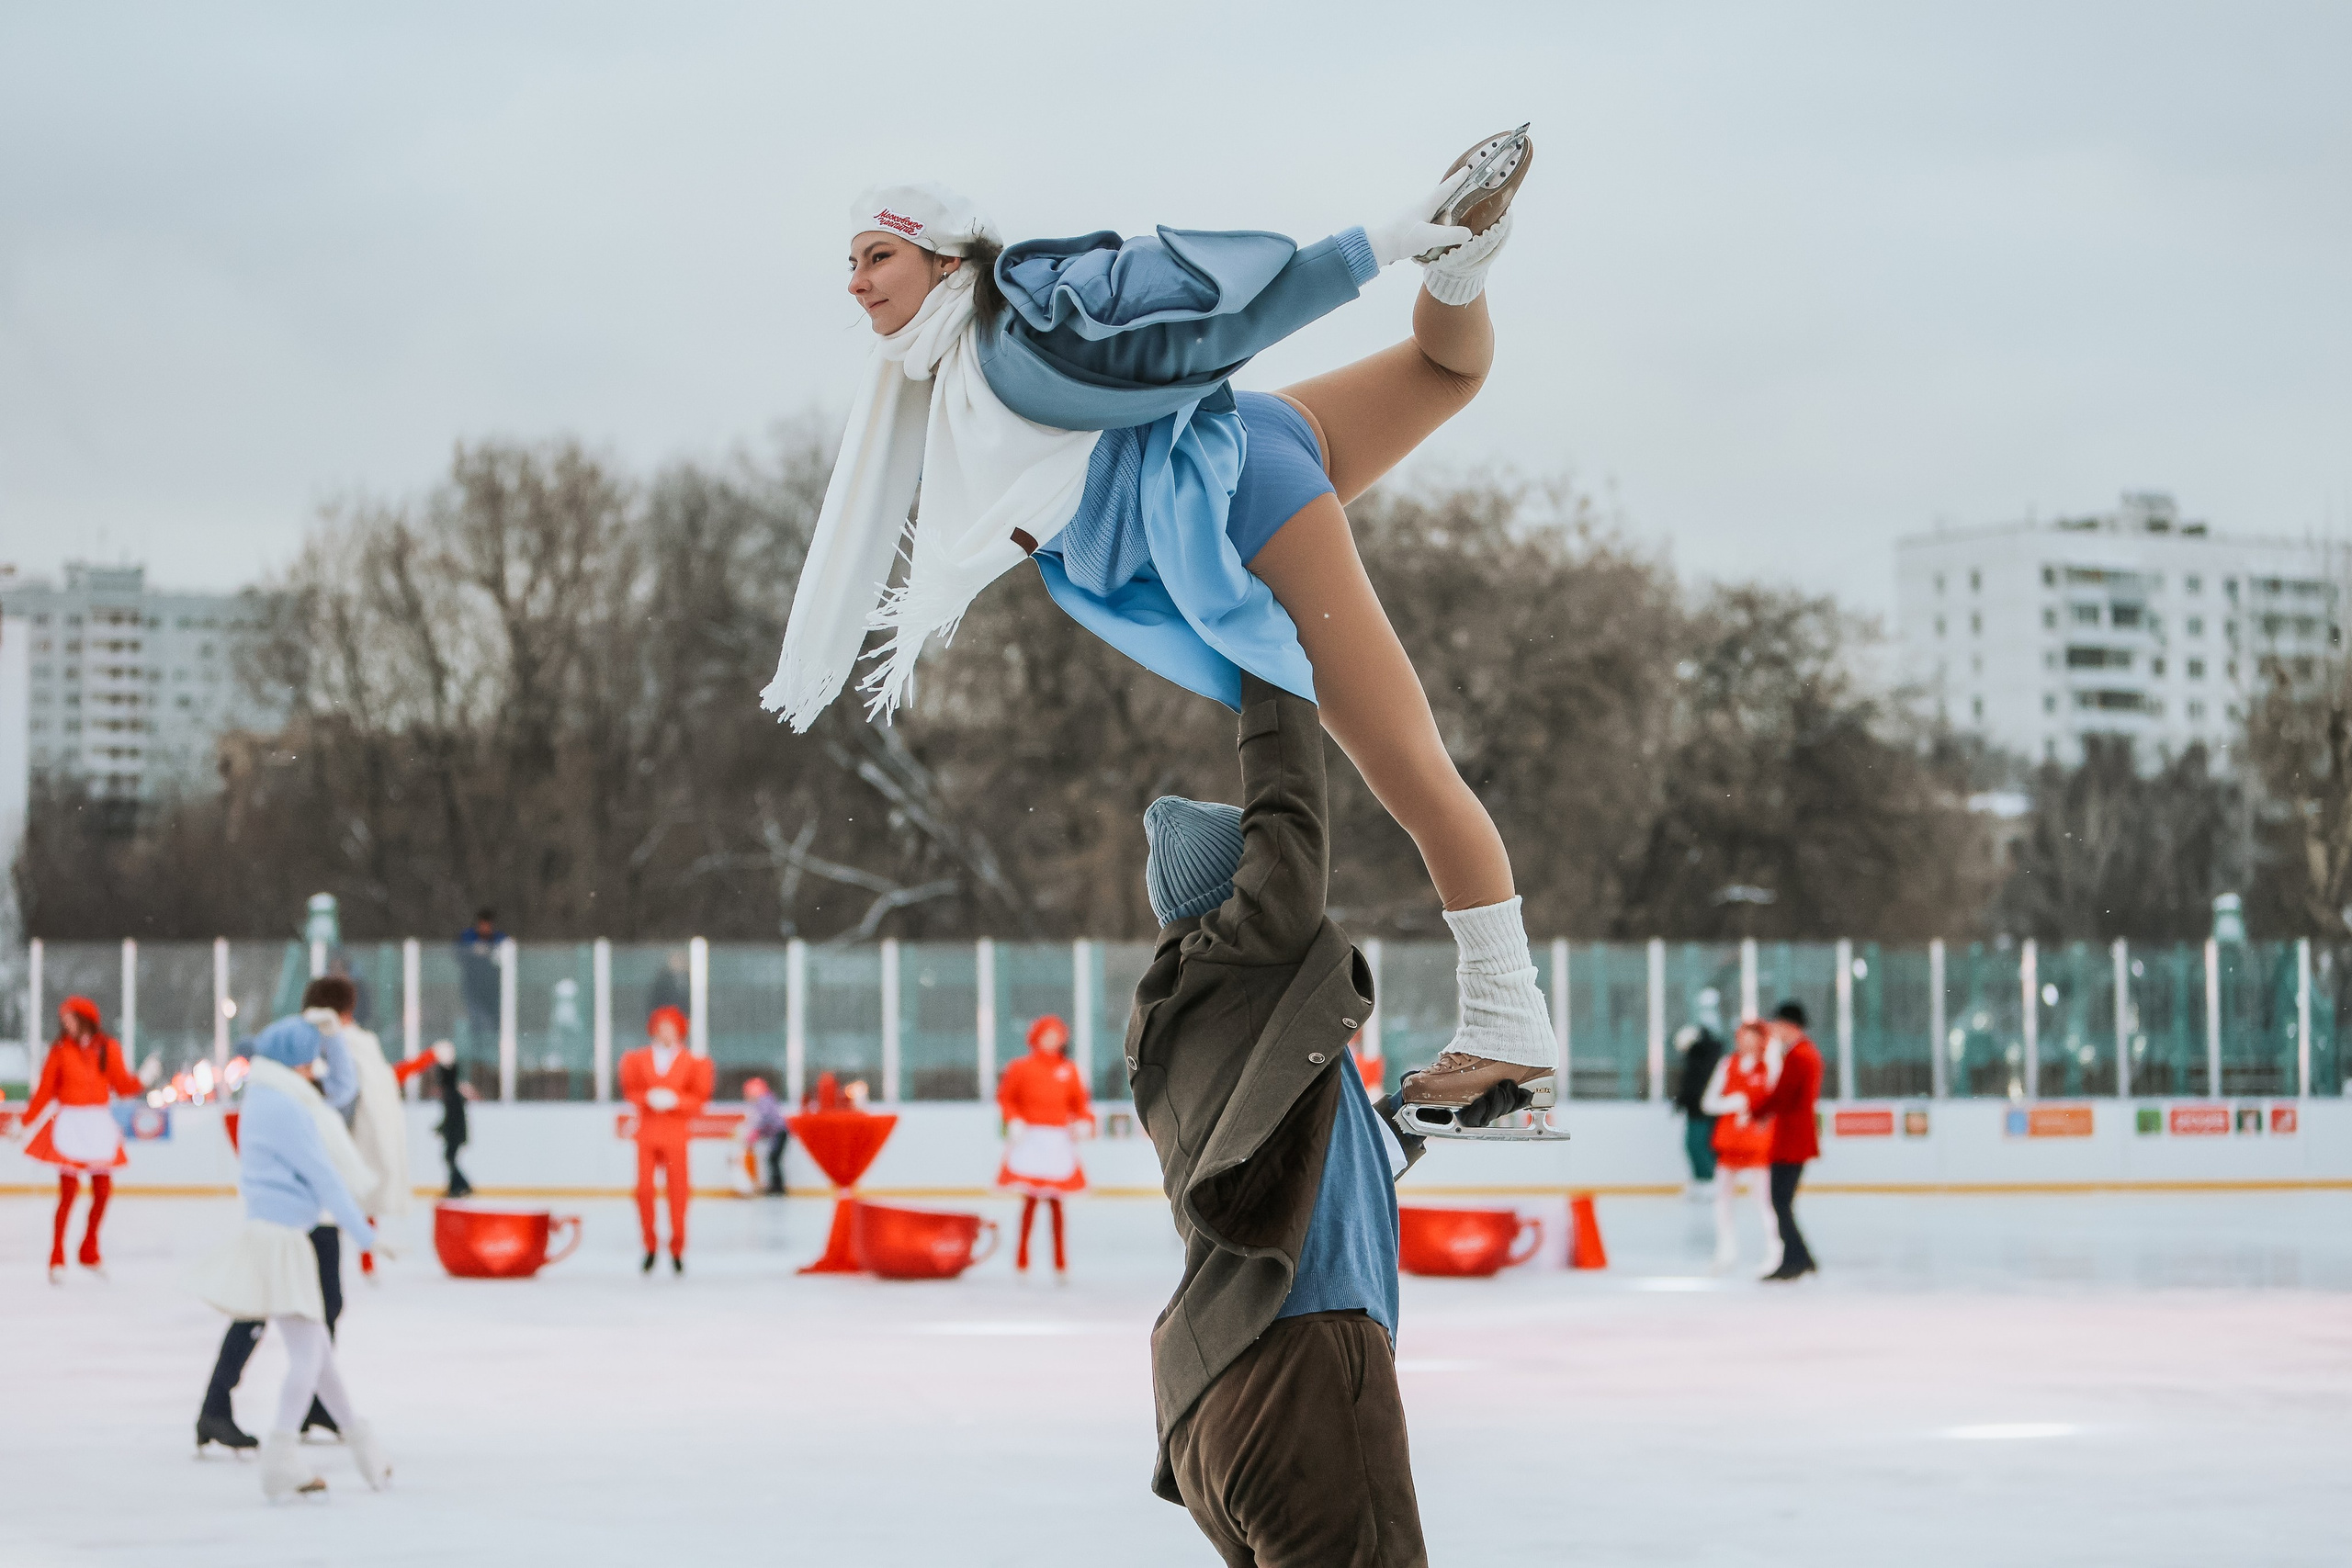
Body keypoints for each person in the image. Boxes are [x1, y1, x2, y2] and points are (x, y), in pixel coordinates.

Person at [768, 133, 1558, 1127]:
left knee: (1406, 763)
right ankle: (1466, 267)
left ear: (945, 261)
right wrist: (1429, 257)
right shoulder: (965, 362)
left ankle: (1509, 1025)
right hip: (1251, 440)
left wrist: (1374, 246)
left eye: (877, 256)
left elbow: (1201, 333)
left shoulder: (1007, 357)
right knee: (1442, 371)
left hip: (1239, 500)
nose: (855, 281)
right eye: (849, 261)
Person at [1126, 672, 1532, 1566]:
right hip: (1297, 1360)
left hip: (1214, 1395)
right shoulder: (1247, 965)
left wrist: (1427, 1111)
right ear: (1239, 904)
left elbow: (1307, 1172)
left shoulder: (1210, 1038)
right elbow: (1290, 813)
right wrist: (1273, 661)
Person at [187, 1015, 392, 1500]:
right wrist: (365, 1233)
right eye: (307, 1063)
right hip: (282, 1242)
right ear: (292, 1063)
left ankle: (364, 1449)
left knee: (317, 1353)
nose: (311, 1072)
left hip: (279, 1236)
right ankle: (280, 1456)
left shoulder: (269, 1095)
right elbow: (324, 1175)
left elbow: (338, 1093)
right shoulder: (285, 1106)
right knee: (308, 1357)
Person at [15, 996, 147, 1281]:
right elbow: (45, 1090)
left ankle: (89, 1249)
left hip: (97, 1124)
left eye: (70, 1018)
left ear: (85, 1019)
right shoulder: (60, 1049)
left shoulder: (107, 1047)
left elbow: (122, 1086)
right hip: (71, 1125)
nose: (65, 1024)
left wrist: (143, 1080)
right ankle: (57, 1256)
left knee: (103, 1191)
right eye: (64, 1019)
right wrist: (25, 1122)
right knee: (68, 1193)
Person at [994, 1014, 1094, 1275]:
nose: (1052, 1040)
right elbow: (1006, 1098)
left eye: (1056, 1036)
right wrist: (1014, 1120)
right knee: (1030, 1201)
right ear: (1036, 1038)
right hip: (1031, 1139)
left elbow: (1080, 1104)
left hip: (1057, 1142)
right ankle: (1022, 1259)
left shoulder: (1070, 1070)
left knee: (1056, 1204)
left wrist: (1084, 1121)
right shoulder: (1020, 1068)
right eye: (1047, 1035)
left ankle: (1060, 1261)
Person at [619, 1005, 713, 1275]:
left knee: (678, 1192)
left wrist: (676, 1101)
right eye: (661, 1028)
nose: (666, 1033)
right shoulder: (637, 1059)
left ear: (680, 1030)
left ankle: (677, 1248)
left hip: (676, 1134)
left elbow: (700, 1099)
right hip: (647, 1133)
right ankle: (650, 1246)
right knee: (644, 1191)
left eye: (671, 1028)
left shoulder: (694, 1062)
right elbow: (631, 1090)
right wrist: (647, 1098)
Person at [1698, 1021, 1781, 1275]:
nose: (1746, 1041)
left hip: (1757, 1142)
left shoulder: (1769, 1066)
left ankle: (1775, 1251)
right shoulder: (1728, 1064)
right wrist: (1732, 1103)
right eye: (1743, 1036)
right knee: (1722, 1198)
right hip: (1730, 1141)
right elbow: (1708, 1102)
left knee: (1763, 1199)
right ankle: (1726, 1251)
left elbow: (1777, 1096)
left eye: (1752, 1036)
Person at [1752, 1001, 1824, 1281]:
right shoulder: (1803, 1052)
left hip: (1792, 1139)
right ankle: (1800, 1256)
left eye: (1776, 1025)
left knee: (1780, 1201)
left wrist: (1757, 1111)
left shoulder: (1799, 1056)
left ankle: (1795, 1259)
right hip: (1794, 1137)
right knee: (1781, 1201)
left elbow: (1783, 1094)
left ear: (1787, 1025)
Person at [1672, 1022, 1728, 1192]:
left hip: (1701, 1111)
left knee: (1698, 1146)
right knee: (1700, 1146)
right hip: (1701, 1110)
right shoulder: (1710, 1056)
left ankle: (1708, 1181)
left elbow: (1694, 1084)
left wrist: (1683, 1100)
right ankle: (1704, 1181)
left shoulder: (1701, 1059)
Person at [455, 908, 503, 1062]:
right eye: (483, 924)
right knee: (478, 1024)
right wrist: (474, 950)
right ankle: (478, 1057)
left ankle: (491, 1057)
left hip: (493, 992)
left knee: (495, 1025)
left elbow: (507, 948)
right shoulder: (468, 938)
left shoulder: (498, 939)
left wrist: (490, 951)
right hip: (473, 991)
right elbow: (458, 951)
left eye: (488, 924)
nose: (485, 928)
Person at [427, 1040, 474, 1198]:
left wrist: (442, 1128)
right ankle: (457, 1186)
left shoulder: (451, 1094)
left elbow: (452, 1117)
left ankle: (461, 1186)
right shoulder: (452, 1094)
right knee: (449, 1158)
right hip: (455, 1133)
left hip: (455, 1134)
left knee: (449, 1157)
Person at [741, 1076, 789, 1196]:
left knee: (773, 1159)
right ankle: (776, 1186)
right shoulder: (765, 1100)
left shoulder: (764, 1101)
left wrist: (755, 1133)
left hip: (780, 1132)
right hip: (777, 1133)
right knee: (773, 1159)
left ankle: (778, 1187)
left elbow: (764, 1119)